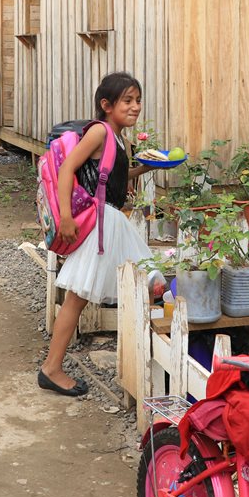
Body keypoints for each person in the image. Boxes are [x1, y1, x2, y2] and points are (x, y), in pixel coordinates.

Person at [39, 72, 155, 397]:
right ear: (106, 105)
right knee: (77, 298)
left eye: (137, 100)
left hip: (113, 223)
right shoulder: (100, 133)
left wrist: (145, 168)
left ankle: (139, 364)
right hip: (98, 226)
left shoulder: (120, 139)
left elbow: (113, 177)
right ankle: (51, 368)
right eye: (127, 101)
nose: (135, 107)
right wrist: (64, 215)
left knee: (146, 281)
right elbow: (67, 170)